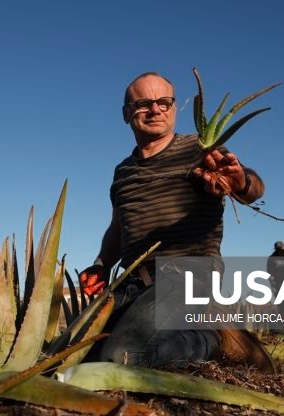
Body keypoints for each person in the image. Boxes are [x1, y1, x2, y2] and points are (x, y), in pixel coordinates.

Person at [79, 71, 274, 371]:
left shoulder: (200, 150)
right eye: (143, 103)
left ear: (174, 108)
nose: (155, 109)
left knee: (122, 357)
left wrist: (241, 182)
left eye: (164, 102)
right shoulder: (123, 171)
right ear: (126, 113)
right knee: (78, 355)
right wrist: (101, 265)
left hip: (187, 277)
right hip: (132, 283)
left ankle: (212, 337)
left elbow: (253, 187)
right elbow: (119, 227)